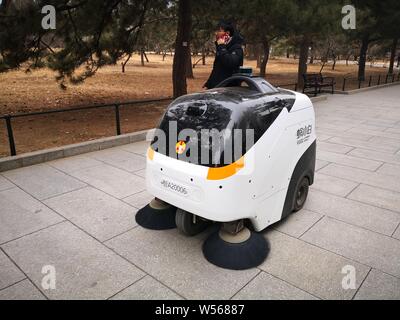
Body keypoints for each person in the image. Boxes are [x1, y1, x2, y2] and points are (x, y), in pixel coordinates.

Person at [203, 21, 244, 89]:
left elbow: (230, 62)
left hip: (228, 89)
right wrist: (209, 83)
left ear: (227, 33)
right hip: (218, 87)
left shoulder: (236, 48)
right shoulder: (223, 47)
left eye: (219, 30)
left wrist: (221, 46)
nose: (216, 33)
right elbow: (217, 69)